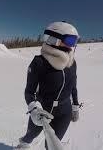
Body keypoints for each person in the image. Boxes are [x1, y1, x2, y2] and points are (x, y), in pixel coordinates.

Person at [16, 21, 80, 149]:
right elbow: (29, 91)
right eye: (69, 40)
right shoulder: (39, 62)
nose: (72, 45)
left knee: (51, 145)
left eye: (74, 42)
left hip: (64, 112)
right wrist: (34, 108)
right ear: (54, 39)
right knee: (30, 135)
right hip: (43, 111)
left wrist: (75, 107)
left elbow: (73, 87)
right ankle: (23, 146)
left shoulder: (71, 63)